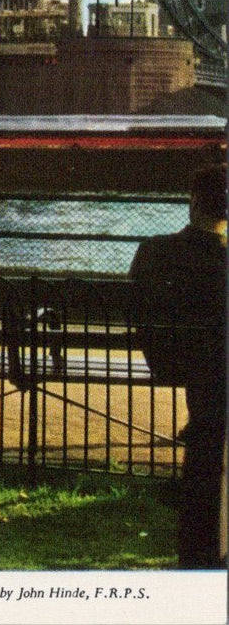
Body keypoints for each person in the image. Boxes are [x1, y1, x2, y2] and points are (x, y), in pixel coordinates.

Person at [129, 164, 226, 570]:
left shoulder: (153, 251)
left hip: (182, 366)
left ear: (193, 203)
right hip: (218, 376)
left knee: (207, 432)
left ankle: (197, 554)